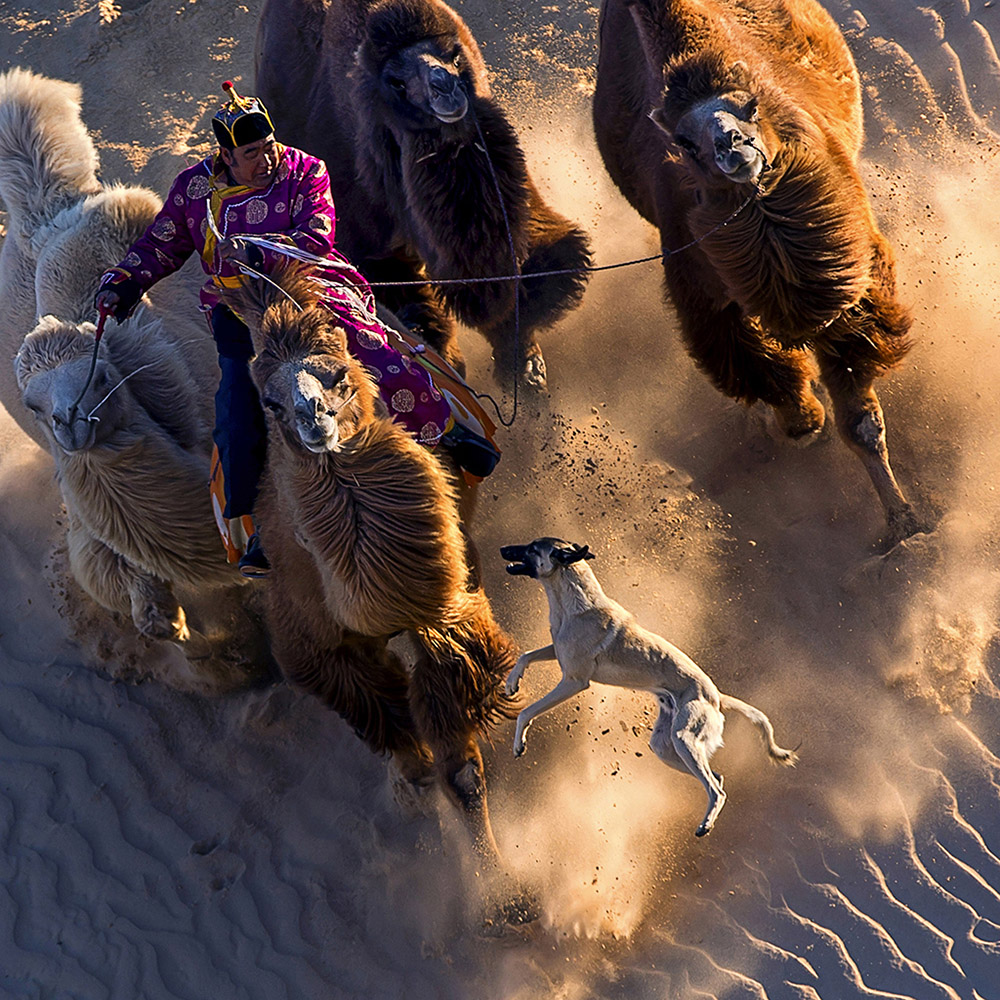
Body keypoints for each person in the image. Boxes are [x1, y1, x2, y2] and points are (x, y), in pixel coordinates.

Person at [95, 82, 467, 578]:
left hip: (309, 293)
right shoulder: (193, 190)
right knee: (234, 411)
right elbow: (160, 244)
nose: (266, 158)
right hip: (238, 314)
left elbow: (317, 234)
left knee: (373, 349)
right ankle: (251, 529)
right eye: (252, 153)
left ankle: (446, 429)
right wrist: (123, 283)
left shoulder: (305, 169)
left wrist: (258, 250)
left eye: (268, 146)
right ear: (225, 155)